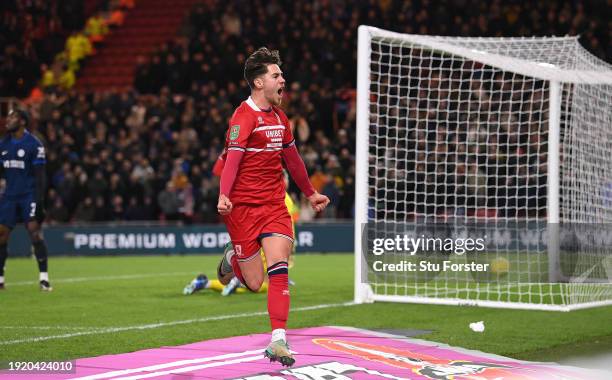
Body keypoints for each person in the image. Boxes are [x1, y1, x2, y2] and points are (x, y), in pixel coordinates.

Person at [216, 47, 329, 367]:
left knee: (278, 265)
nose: (283, 79)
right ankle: (231, 258)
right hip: (242, 210)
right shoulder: (242, 118)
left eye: (281, 74)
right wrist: (224, 195)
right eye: (276, 75)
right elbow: (232, 161)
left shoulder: (281, 119)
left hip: (274, 205)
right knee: (253, 283)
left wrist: (310, 193)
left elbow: (292, 160)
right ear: (257, 82)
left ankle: (278, 339)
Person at [0, 108, 51, 291]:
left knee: (34, 232)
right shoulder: (3, 144)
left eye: (12, 117)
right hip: (9, 197)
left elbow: (40, 177)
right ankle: (0, 279)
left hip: (28, 195)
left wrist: (40, 203)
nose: (7, 120)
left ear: (22, 121)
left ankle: (44, 279)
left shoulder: (34, 144)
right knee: (1, 235)